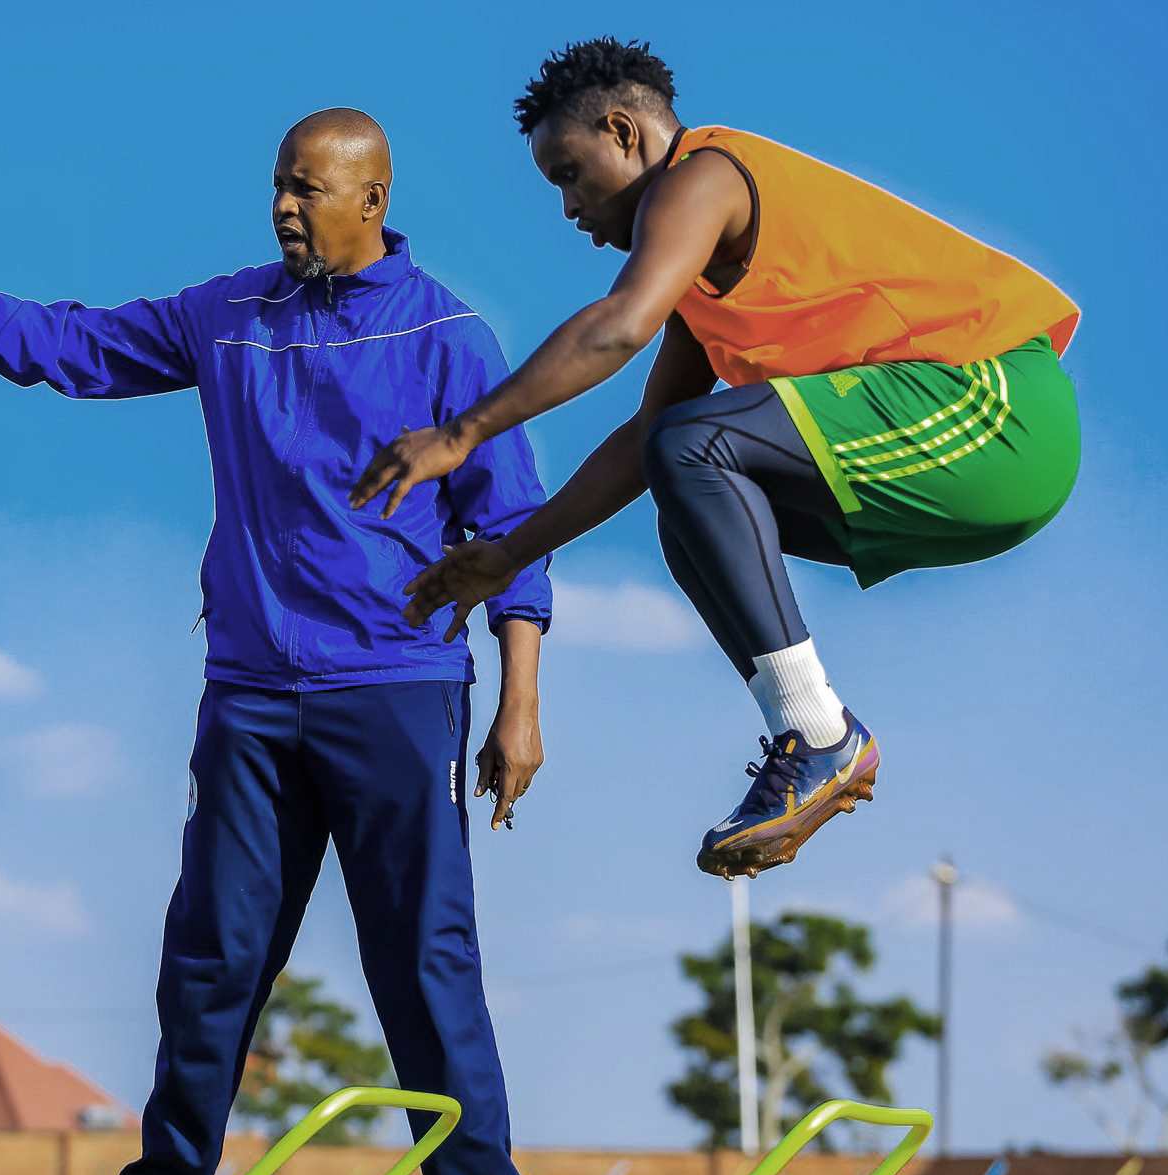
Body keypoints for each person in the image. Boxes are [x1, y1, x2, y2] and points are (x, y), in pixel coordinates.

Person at [0, 108, 547, 1175]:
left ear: (370, 201)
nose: (282, 208)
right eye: (275, 188)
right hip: (248, 695)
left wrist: (519, 707)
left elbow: (511, 532)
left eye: (305, 191)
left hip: (397, 688)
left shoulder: (450, 336)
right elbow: (65, 344)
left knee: (423, 964)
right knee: (211, 962)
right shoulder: (228, 317)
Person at [355, 38, 1082, 879]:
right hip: (966, 453)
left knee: (690, 447)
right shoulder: (703, 292)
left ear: (624, 133)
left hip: (996, 411)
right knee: (682, 495)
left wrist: (462, 433)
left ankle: (820, 736)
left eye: (567, 171)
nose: (567, 208)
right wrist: (510, 555)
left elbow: (619, 326)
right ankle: (809, 733)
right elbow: (644, 443)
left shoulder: (708, 175)